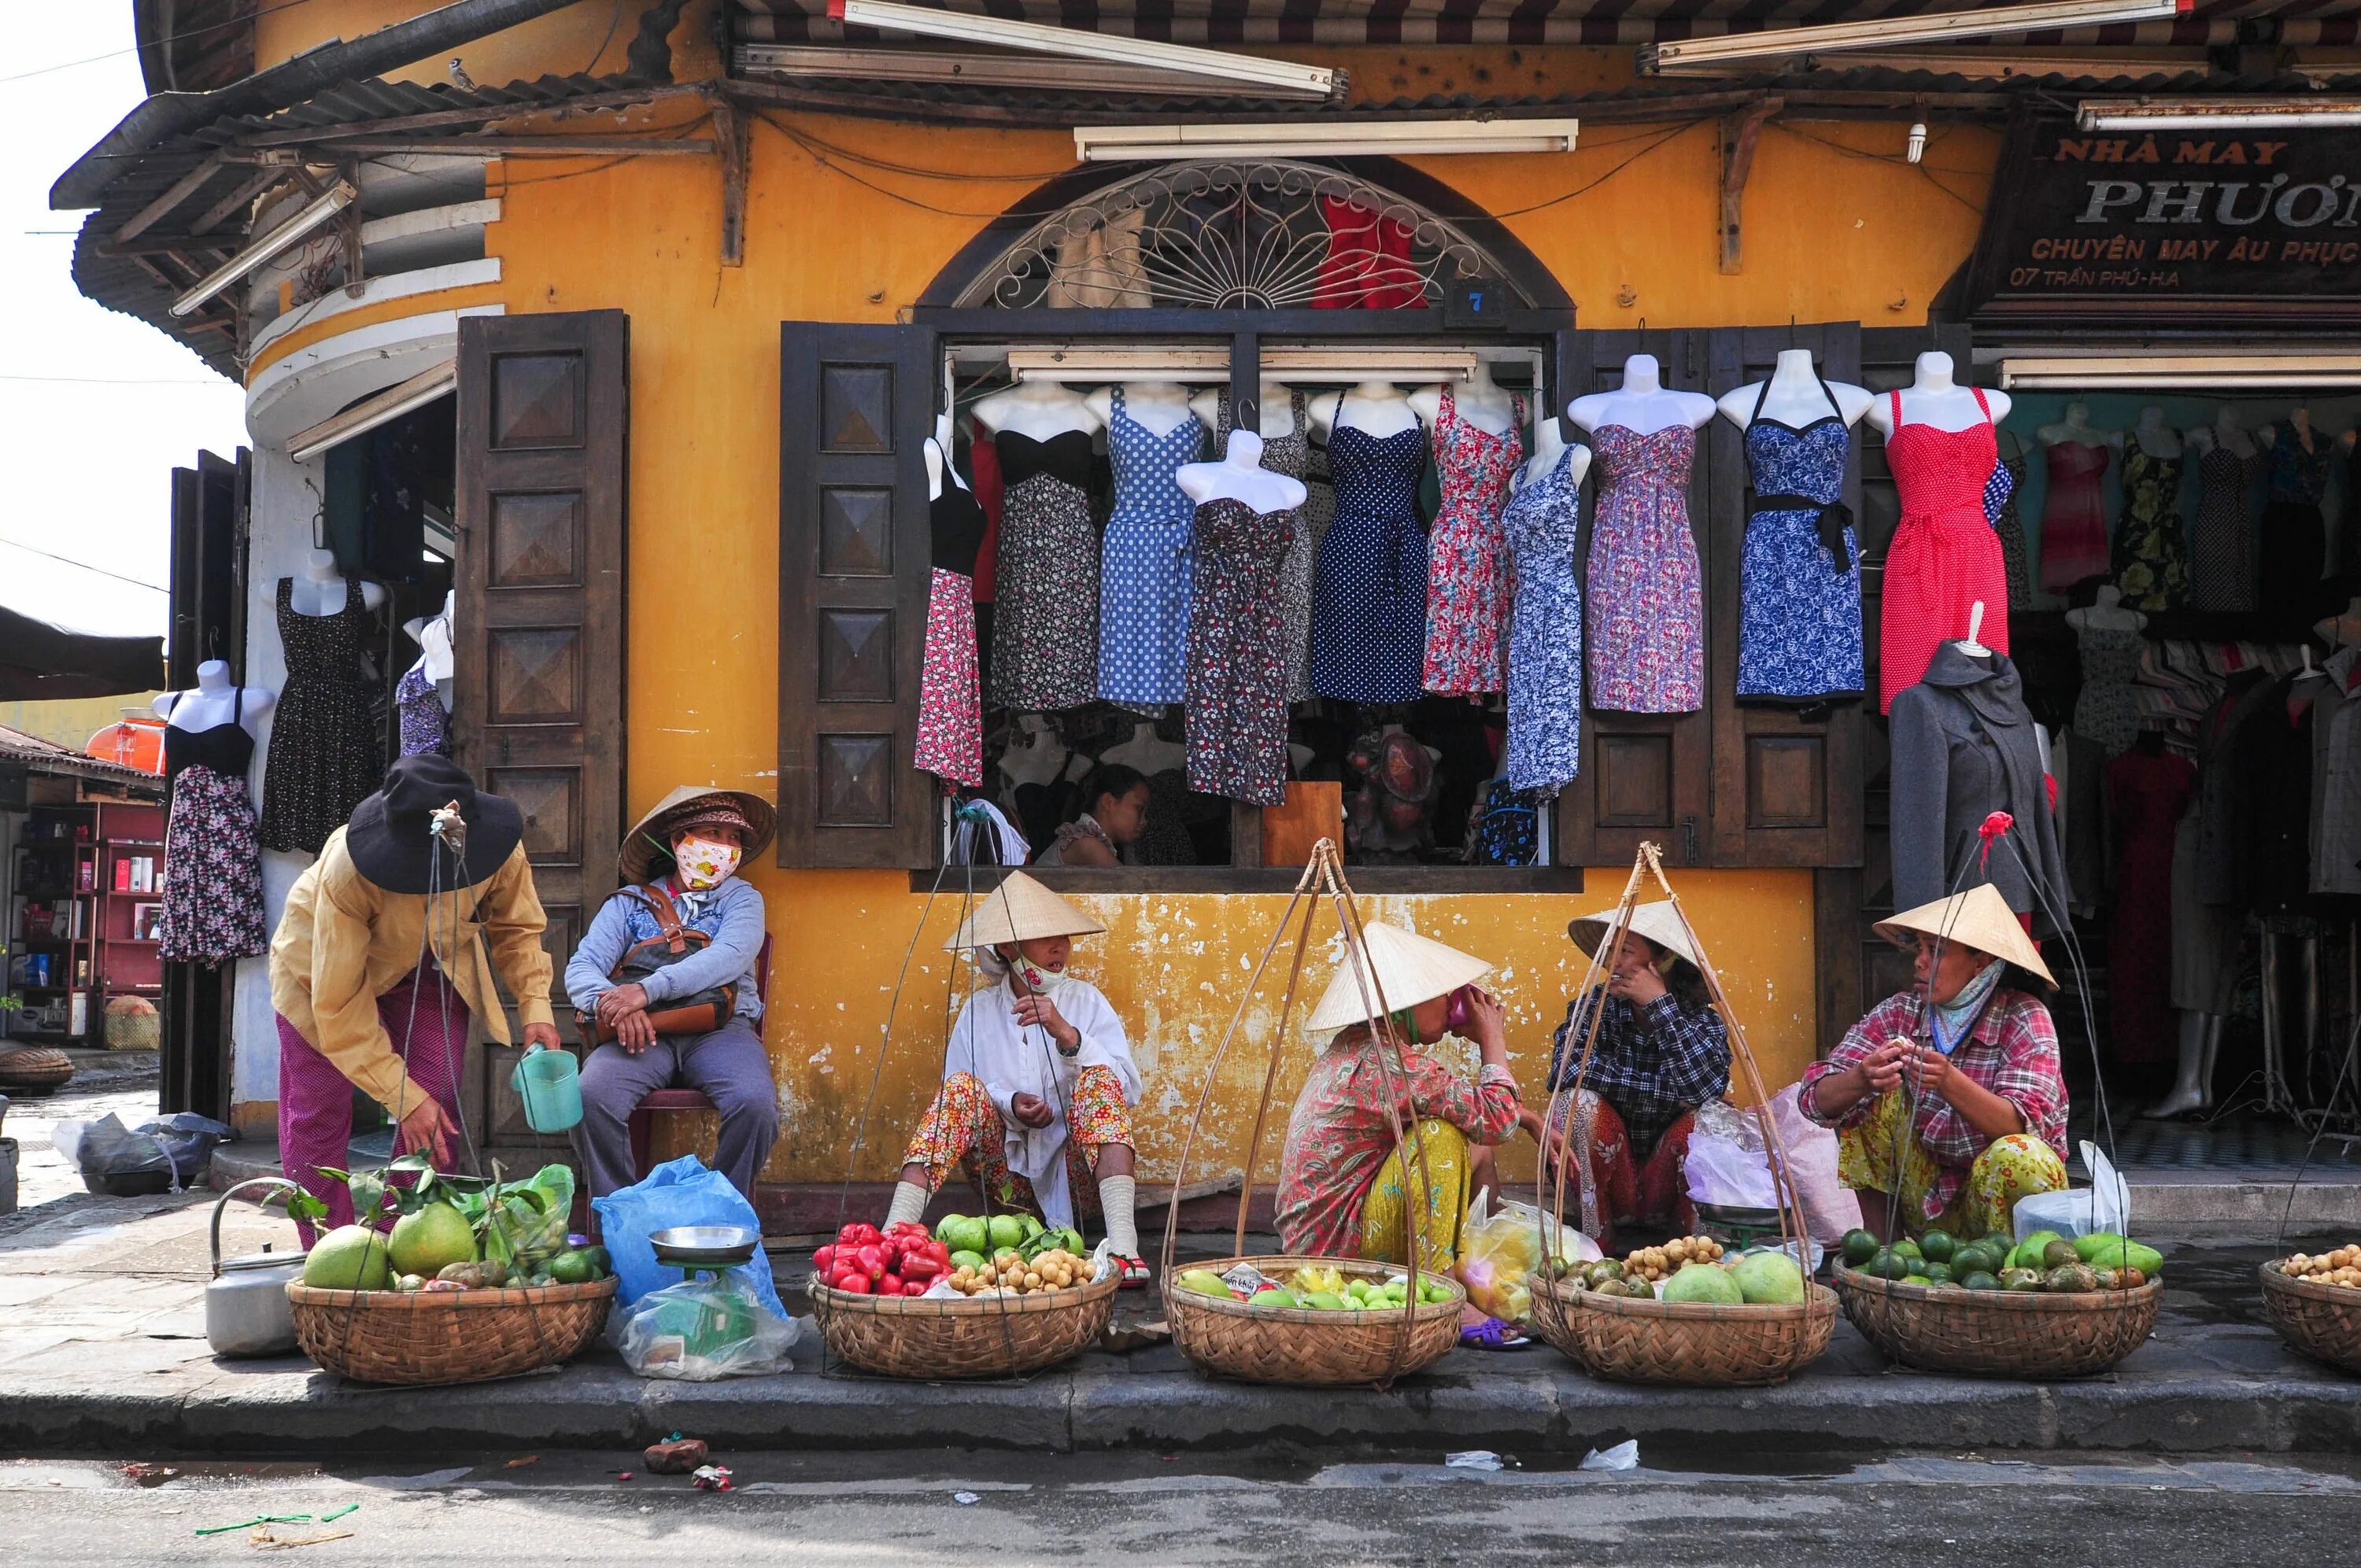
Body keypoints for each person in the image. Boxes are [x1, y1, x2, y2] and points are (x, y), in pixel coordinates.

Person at [268, 756, 558, 1238]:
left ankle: (400, 1238)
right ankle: (328, 1253)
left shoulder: (499, 845)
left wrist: (535, 1007)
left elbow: (518, 929)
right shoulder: (348, 871)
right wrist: (401, 1096)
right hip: (317, 974)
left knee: (436, 1101)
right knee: (317, 1112)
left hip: (427, 967)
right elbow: (339, 1004)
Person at [882, 872, 1149, 1282]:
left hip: (1079, 1185)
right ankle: (891, 1239)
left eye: (1064, 936)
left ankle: (1125, 1250)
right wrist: (1009, 1104)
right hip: (1006, 1189)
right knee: (959, 1093)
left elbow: (1126, 1089)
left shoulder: (1086, 1002)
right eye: (1045, 937)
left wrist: (1070, 1036)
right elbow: (958, 1095)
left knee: (1098, 1076)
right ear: (1008, 947)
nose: (1060, 946)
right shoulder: (980, 1011)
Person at [1800, 884, 2069, 1241]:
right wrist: (1863, 1077)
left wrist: (1948, 1081)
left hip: (1998, 1208)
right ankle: (1884, 1257)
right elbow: (1814, 1100)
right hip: (1926, 1203)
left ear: (1981, 963)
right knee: (1869, 1099)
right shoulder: (1901, 1012)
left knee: (2021, 1155)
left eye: (1936, 951)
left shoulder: (2023, 1017)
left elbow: (2022, 1127)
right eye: (1919, 948)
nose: (1919, 960)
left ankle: (2010, 1274)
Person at [1273, 921, 1528, 1277]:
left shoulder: (1360, 1045)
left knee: (1475, 1146)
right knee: (1442, 1137)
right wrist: (1492, 1040)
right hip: (1338, 1256)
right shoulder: (1391, 1063)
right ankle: (1441, 1284)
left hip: (1324, 1239)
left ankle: (1492, 1262)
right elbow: (1497, 1122)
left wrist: (1529, 1117)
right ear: (1405, 1002)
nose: (1452, 1003)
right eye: (1443, 994)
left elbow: (1474, 1114)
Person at [569, 786, 780, 1205]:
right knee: (589, 1096)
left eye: (734, 838)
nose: (726, 847)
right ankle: (620, 1212)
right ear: (678, 842)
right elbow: (581, 969)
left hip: (721, 1030)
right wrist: (614, 1005)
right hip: (642, 1033)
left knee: (754, 1105)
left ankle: (721, 1211)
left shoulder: (742, 899)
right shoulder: (629, 904)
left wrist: (645, 991)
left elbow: (731, 956)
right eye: (712, 833)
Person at [1541, 901, 1731, 1250]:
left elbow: (1703, 1090)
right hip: (1611, 1184)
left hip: (1669, 1188)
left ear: (1664, 961)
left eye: (1624, 952)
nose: (1612, 963)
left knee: (1710, 1117)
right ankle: (1595, 1245)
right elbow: (1566, 1073)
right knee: (1576, 1104)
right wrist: (1670, 1091)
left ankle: (1692, 1250)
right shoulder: (1593, 1009)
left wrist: (1660, 1006)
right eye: (1609, 951)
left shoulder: (1702, 1021)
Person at [1033, 763, 1149, 867]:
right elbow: (1132, 885)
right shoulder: (1086, 844)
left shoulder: (1091, 841)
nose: (1144, 821)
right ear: (1109, 802)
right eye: (1139, 808)